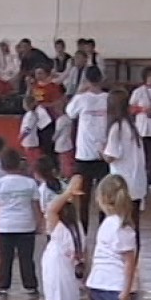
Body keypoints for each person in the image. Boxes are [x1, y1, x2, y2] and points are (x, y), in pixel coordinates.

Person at [0, 150, 41, 298]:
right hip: (26, 226)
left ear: (2, 167)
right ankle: (31, 286)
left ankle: (3, 286)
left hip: (4, 226)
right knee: (26, 258)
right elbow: (36, 205)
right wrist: (39, 222)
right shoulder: (30, 183)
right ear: (20, 163)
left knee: (5, 258)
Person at [64, 67, 111, 226]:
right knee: (103, 195)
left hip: (85, 153)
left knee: (84, 197)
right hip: (104, 152)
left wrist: (79, 92)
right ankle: (103, 228)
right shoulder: (108, 98)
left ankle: (83, 230)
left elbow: (69, 112)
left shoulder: (81, 99)